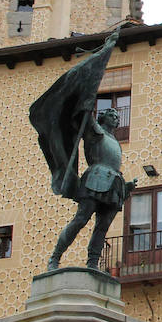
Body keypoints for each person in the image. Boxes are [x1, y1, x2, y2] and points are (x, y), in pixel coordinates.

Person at [46, 107, 135, 270]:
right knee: (81, 219)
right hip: (95, 178)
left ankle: (93, 262)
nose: (116, 118)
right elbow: (83, 114)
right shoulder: (95, 131)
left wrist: (127, 186)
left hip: (114, 182)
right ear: (102, 117)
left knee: (103, 226)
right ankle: (55, 257)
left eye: (117, 116)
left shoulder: (116, 142)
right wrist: (86, 103)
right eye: (111, 115)